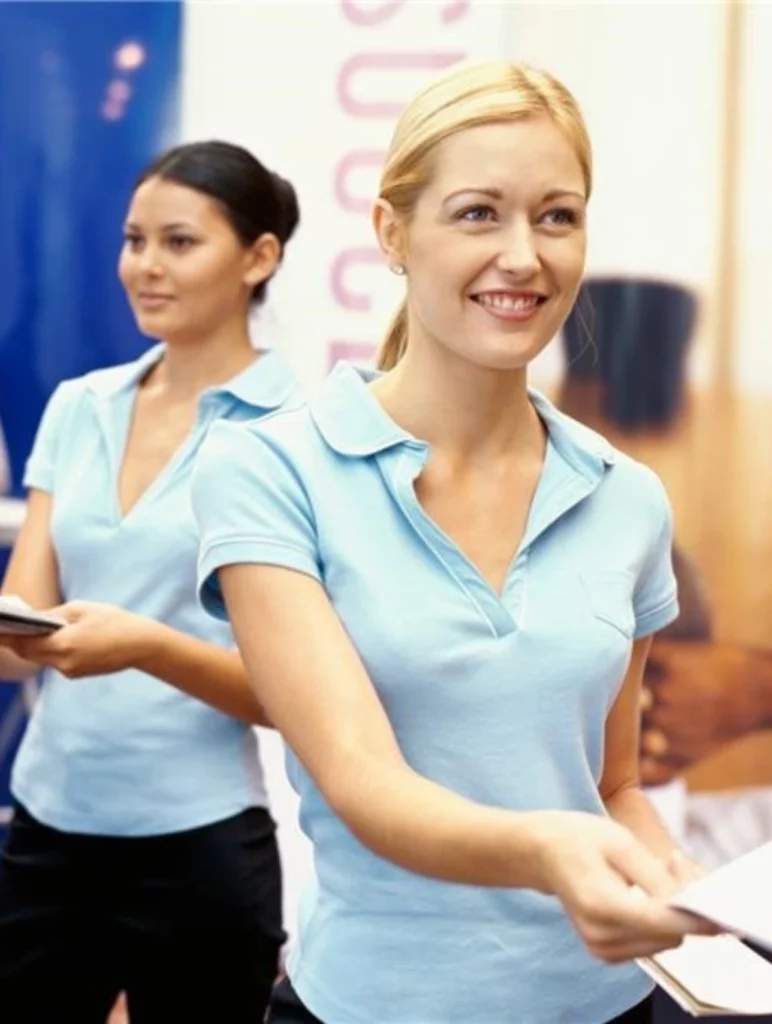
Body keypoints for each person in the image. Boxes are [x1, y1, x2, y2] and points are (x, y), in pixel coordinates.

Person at [193, 63, 714, 1024]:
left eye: (557, 217)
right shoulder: (269, 470)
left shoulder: (627, 497)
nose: (524, 255)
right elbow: (364, 782)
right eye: (479, 213)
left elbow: (614, 782)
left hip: (604, 1007)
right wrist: (553, 853)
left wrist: (671, 874)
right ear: (393, 233)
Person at [0, 140, 300, 1023]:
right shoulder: (80, 405)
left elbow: (296, 695)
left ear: (259, 258)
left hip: (201, 845)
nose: (146, 267)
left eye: (179, 242)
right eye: (135, 241)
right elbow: (25, 638)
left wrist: (146, 647)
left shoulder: (300, 432)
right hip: (48, 828)